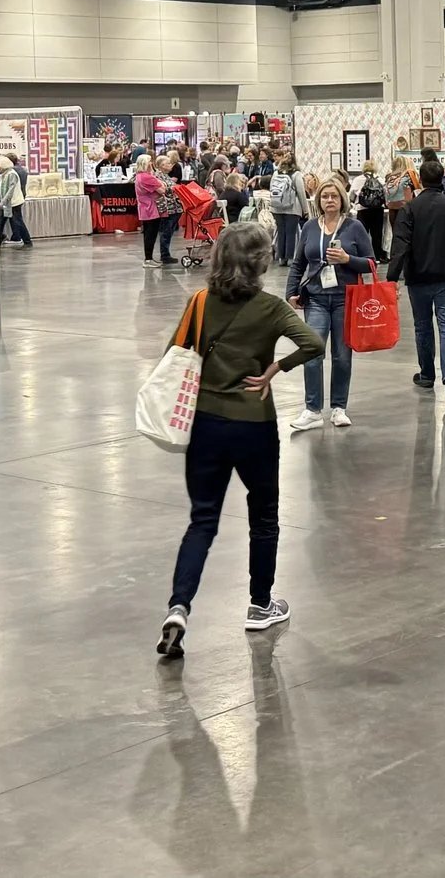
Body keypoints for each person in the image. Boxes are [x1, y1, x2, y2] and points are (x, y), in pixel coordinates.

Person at [158, 225, 324, 658]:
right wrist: (275, 369)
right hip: (254, 424)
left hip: (206, 423)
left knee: (203, 520)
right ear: (261, 262)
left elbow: (171, 356)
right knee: (264, 514)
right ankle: (260, 603)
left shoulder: (199, 302)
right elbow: (313, 342)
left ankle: (179, 606)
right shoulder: (270, 308)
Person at [284, 177, 373, 430]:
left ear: (342, 199)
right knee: (312, 352)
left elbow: (370, 263)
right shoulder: (311, 227)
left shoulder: (354, 227)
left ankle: (338, 408)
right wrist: (291, 292)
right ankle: (312, 410)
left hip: (346, 298)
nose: (330, 200)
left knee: (342, 356)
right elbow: (298, 263)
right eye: (325, 196)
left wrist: (347, 259)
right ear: (319, 201)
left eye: (334, 196)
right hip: (316, 299)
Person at [393, 161, 445, 401]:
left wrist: (392, 277)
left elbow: (401, 244)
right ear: (442, 178)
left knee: (423, 326)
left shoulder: (410, 208)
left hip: (419, 275)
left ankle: (426, 374)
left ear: (420, 181)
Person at [267, 155, 307, 263]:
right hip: (292, 207)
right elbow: (301, 193)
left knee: (280, 232)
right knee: (291, 233)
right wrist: (305, 210)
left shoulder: (276, 173)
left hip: (277, 207)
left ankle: (281, 258)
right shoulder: (296, 175)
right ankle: (290, 258)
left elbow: (272, 189)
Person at [135, 155, 171, 268]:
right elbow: (162, 190)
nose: (152, 164)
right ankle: (148, 259)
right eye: (150, 162)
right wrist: (161, 185)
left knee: (148, 234)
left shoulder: (139, 176)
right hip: (151, 209)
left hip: (145, 208)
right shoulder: (146, 177)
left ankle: (149, 258)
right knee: (151, 234)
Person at [0, 154, 32, 249]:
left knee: (18, 222)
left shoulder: (11, 174)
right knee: (0, 222)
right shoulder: (4, 174)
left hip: (13, 202)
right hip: (7, 202)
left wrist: (3, 201)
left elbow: (10, 190)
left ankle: (27, 240)